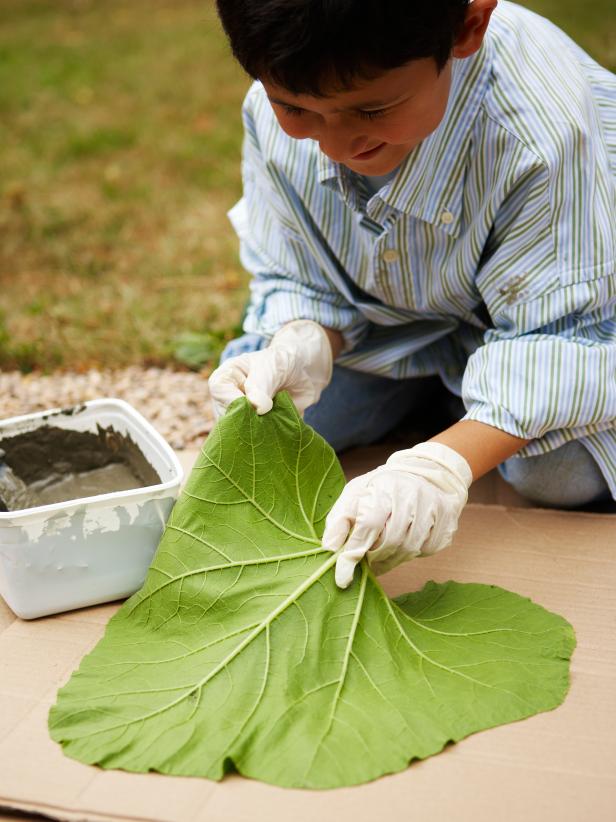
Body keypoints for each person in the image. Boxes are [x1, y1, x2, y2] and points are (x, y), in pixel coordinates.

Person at [209, 0, 616, 589]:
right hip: (394, 324)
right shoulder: (280, 96)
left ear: (467, 28)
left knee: (557, 474)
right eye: (295, 108)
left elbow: (563, 332)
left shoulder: (540, 127)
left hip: (569, 312)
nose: (336, 145)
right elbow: (296, 271)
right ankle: (452, 399)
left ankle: (454, 415)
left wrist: (440, 467)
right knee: (266, 413)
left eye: (371, 109)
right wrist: (301, 340)